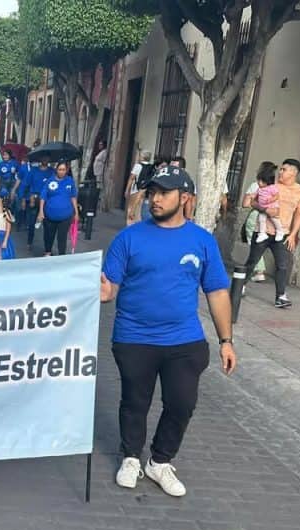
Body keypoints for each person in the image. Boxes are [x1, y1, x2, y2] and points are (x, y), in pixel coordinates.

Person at [100, 165, 236, 497]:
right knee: (135, 401)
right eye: (151, 192)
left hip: (184, 339)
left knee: (182, 403)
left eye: (164, 193)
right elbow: (109, 288)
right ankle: (131, 456)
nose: (155, 199)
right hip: (134, 338)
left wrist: (226, 341)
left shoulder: (202, 242)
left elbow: (217, 292)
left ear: (185, 197)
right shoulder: (128, 238)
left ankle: (160, 461)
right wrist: (99, 291)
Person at [242, 158, 300, 309]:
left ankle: (281, 296)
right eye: (281, 169)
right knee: (252, 261)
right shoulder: (271, 185)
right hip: (262, 230)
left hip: (282, 234)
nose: (281, 172)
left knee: (282, 265)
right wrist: (264, 209)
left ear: (293, 173)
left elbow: (299, 214)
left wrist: (293, 234)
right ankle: (240, 286)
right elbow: (250, 203)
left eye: (284, 170)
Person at [240, 162, 277, 282]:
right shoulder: (275, 187)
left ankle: (259, 271)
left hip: (255, 216)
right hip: (270, 217)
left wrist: (254, 201)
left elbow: (245, 204)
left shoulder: (255, 185)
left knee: (255, 245)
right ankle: (258, 270)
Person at [37, 161, 79, 256]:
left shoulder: (70, 181)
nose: (61, 172)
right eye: (60, 169)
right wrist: (41, 212)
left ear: (66, 170)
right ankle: (48, 252)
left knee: (62, 238)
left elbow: (73, 197)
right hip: (50, 215)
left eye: (63, 170)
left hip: (65, 216)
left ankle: (61, 256)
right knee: (48, 236)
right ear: (56, 170)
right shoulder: (50, 181)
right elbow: (43, 196)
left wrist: (76, 213)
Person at [22, 159, 53, 246]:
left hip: (47, 200)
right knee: (31, 223)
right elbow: (26, 184)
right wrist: (24, 199)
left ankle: (48, 248)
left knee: (47, 225)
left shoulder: (52, 172)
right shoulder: (34, 170)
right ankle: (29, 242)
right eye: (43, 157)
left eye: (47, 157)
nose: (45, 159)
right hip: (34, 198)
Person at [251, 163, 285, 243]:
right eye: (258, 181)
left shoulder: (271, 188)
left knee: (275, 219)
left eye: (261, 181)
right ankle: (262, 233)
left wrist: (271, 200)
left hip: (271, 206)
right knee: (261, 219)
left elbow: (277, 196)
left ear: (267, 182)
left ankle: (280, 231)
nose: (259, 183)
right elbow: (255, 198)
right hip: (263, 208)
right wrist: (253, 197)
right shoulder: (259, 189)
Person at [126, 150, 153, 225]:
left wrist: (127, 190)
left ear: (142, 157)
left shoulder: (138, 166)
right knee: (139, 211)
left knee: (131, 209)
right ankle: (137, 227)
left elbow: (131, 178)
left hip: (135, 190)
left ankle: (130, 227)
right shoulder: (151, 167)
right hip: (145, 192)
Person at [0, 195, 16, 260]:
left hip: (3, 236)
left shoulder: (5, 213)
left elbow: (8, 228)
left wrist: (5, 241)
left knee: (4, 255)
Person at [90, 139, 108, 214]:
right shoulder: (101, 152)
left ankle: (100, 201)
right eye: (99, 144)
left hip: (100, 171)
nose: (99, 146)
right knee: (98, 185)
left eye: (101, 144)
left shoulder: (105, 152)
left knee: (99, 185)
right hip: (97, 171)